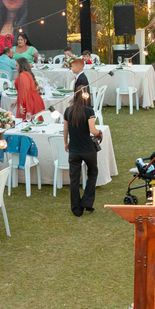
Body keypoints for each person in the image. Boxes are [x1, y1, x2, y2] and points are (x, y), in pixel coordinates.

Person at [63, 88, 103, 216]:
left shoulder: (68, 111)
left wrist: (66, 143)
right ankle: (86, 201)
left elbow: (65, 130)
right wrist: (99, 133)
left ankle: (76, 208)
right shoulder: (89, 111)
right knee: (92, 173)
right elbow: (92, 130)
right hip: (88, 149)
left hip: (74, 150)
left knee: (74, 178)